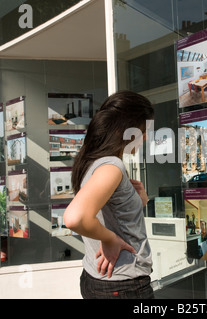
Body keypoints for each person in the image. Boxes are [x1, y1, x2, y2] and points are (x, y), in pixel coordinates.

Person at [64, 91, 154, 299]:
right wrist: (110, 239)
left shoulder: (91, 161)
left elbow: (110, 214)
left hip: (98, 279)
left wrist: (136, 200)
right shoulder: (111, 166)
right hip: (123, 286)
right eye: (146, 129)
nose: (147, 137)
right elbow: (75, 218)